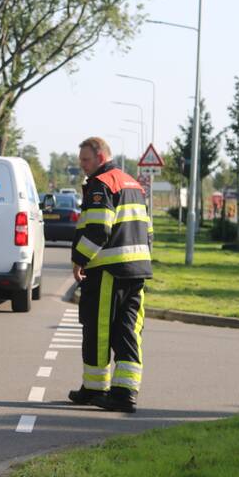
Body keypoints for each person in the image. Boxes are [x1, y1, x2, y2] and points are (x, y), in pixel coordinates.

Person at [68, 137, 153, 413]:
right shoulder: (132, 184)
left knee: (98, 329)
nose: (82, 165)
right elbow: (148, 231)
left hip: (108, 270)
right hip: (136, 271)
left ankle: (96, 389)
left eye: (86, 160)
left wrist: (80, 260)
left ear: (101, 156)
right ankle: (125, 392)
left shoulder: (101, 184)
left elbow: (98, 230)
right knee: (128, 330)